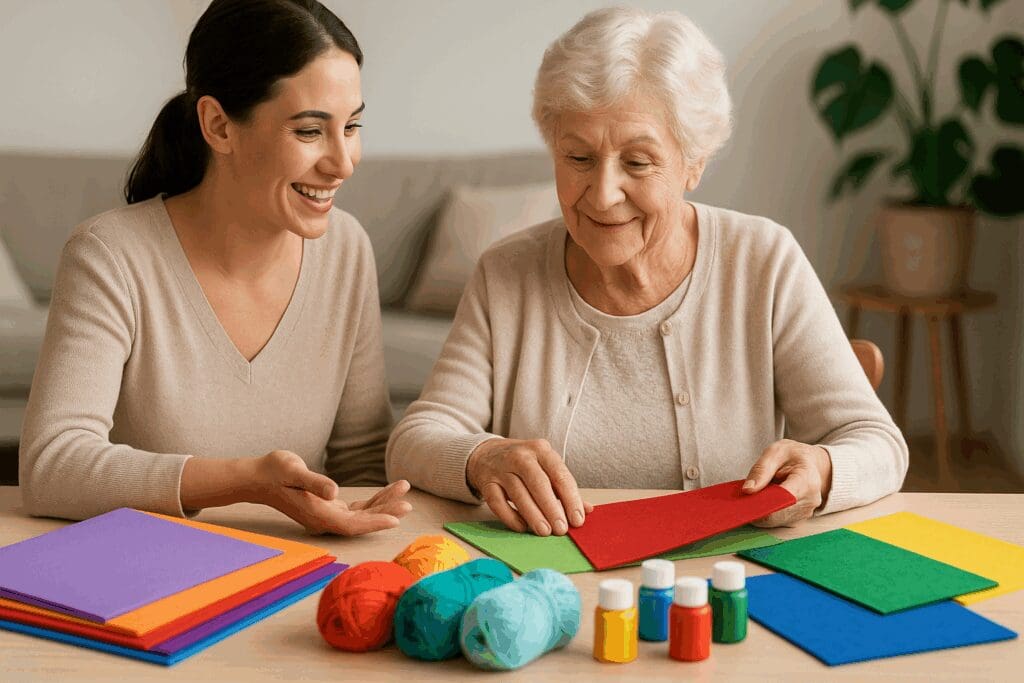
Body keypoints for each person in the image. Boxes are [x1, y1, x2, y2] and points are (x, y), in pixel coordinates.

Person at [386, 7, 907, 536]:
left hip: (728, 585)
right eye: (579, 158)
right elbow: (415, 438)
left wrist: (822, 469)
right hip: (553, 587)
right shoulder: (505, 274)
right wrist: (482, 457)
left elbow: (876, 441)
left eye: (637, 162)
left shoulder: (763, 259)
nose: (604, 193)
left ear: (694, 161)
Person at [19, 0, 411, 535]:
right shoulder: (109, 254)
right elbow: (51, 464)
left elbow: (362, 458)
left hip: (299, 573)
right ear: (219, 126)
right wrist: (244, 482)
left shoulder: (346, 248)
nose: (343, 162)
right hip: (149, 576)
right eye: (309, 131)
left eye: (353, 125)